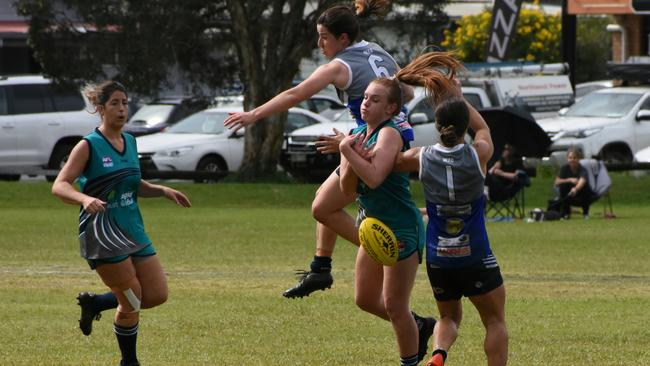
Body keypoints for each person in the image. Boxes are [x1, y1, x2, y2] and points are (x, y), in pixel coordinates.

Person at [225, 0, 418, 300]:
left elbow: (296, 92)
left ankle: (384, 247)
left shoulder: (340, 66)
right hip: (391, 136)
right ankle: (321, 266)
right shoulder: (377, 50)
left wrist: (253, 115)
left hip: (376, 141)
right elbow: (407, 92)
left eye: (324, 37)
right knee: (324, 200)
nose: (319, 43)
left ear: (343, 39)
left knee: (322, 207)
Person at [52, 81, 191, 366]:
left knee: (155, 294)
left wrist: (161, 190)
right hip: (102, 235)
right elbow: (60, 185)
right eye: (115, 103)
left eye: (125, 103)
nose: (122, 109)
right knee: (132, 300)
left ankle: (98, 303)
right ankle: (129, 361)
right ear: (101, 109)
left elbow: (131, 182)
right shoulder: (88, 145)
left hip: (133, 230)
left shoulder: (130, 141)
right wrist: (82, 198)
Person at [396, 97, 508, 366]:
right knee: (494, 321)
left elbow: (388, 160)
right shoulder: (477, 153)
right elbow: (484, 129)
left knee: (448, 318)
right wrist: (456, 94)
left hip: (439, 257)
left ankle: (439, 353)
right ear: (464, 125)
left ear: (436, 125)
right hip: (475, 254)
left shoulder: (419, 157)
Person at [553, 147, 596, 219]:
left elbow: (582, 181)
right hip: (568, 194)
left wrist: (575, 189)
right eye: (570, 158)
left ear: (579, 159)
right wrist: (569, 180)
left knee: (585, 187)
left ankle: (586, 213)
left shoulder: (582, 169)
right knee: (562, 186)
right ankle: (566, 213)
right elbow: (556, 182)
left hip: (581, 193)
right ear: (567, 158)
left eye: (574, 158)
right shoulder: (564, 168)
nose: (572, 160)